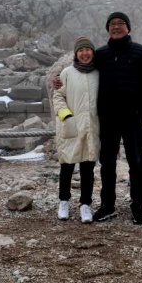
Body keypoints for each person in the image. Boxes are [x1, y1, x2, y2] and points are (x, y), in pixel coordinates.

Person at [92, 12, 142, 225]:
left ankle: (138, 207)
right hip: (108, 119)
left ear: (128, 28)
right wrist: (60, 81)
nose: (116, 26)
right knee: (107, 164)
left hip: (135, 119)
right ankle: (107, 205)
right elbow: (82, 72)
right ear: (107, 29)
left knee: (137, 164)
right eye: (112, 24)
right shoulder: (100, 54)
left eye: (121, 23)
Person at [52, 36, 101, 223]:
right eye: (81, 50)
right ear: (76, 53)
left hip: (91, 126)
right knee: (67, 166)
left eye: (88, 50)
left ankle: (85, 204)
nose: (85, 53)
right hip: (71, 125)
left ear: (92, 52)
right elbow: (58, 96)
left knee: (88, 167)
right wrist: (66, 116)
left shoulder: (99, 73)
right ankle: (63, 201)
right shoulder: (66, 73)